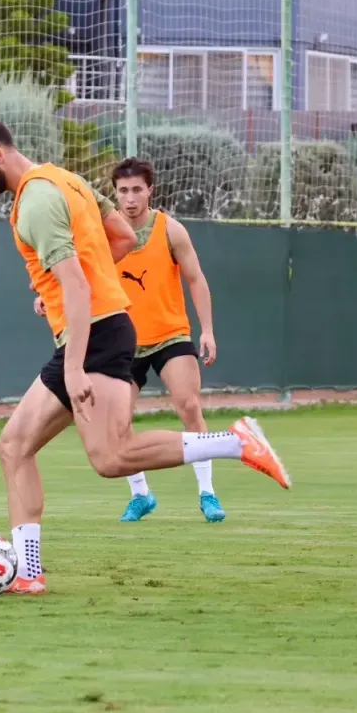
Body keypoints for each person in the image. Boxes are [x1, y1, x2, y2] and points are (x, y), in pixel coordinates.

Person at [0, 116, 291, 596]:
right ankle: (29, 573)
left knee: (112, 457)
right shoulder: (67, 181)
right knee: (14, 447)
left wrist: (73, 365)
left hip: (96, 336)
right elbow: (123, 239)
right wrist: (60, 288)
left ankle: (236, 442)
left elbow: (76, 283)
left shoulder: (35, 202)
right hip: (98, 331)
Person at [109, 158, 225, 523]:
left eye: (136, 190)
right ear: (115, 194)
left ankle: (207, 493)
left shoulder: (170, 230)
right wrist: (46, 298)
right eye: (123, 191)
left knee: (189, 406)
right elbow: (79, 273)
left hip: (170, 335)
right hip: (124, 341)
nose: (130, 198)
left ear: (150, 190)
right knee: (116, 424)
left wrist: (207, 330)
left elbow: (196, 279)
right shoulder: (105, 233)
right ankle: (140, 494)